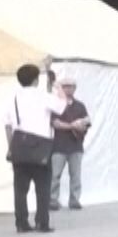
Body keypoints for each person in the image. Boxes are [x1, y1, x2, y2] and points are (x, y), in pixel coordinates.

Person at [2, 63, 63, 235]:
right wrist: (57, 87)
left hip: (19, 147)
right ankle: (42, 222)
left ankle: (21, 222)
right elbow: (61, 107)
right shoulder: (43, 96)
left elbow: (7, 125)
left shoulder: (12, 98)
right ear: (36, 79)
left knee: (20, 189)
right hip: (41, 146)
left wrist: (11, 147)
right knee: (43, 187)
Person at [48, 75, 90, 211]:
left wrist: (81, 124)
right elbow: (55, 123)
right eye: (65, 86)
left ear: (75, 88)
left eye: (70, 86)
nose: (67, 89)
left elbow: (87, 121)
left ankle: (74, 200)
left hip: (76, 146)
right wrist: (72, 126)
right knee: (55, 175)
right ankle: (53, 200)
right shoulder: (56, 105)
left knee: (76, 175)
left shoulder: (80, 106)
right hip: (59, 146)